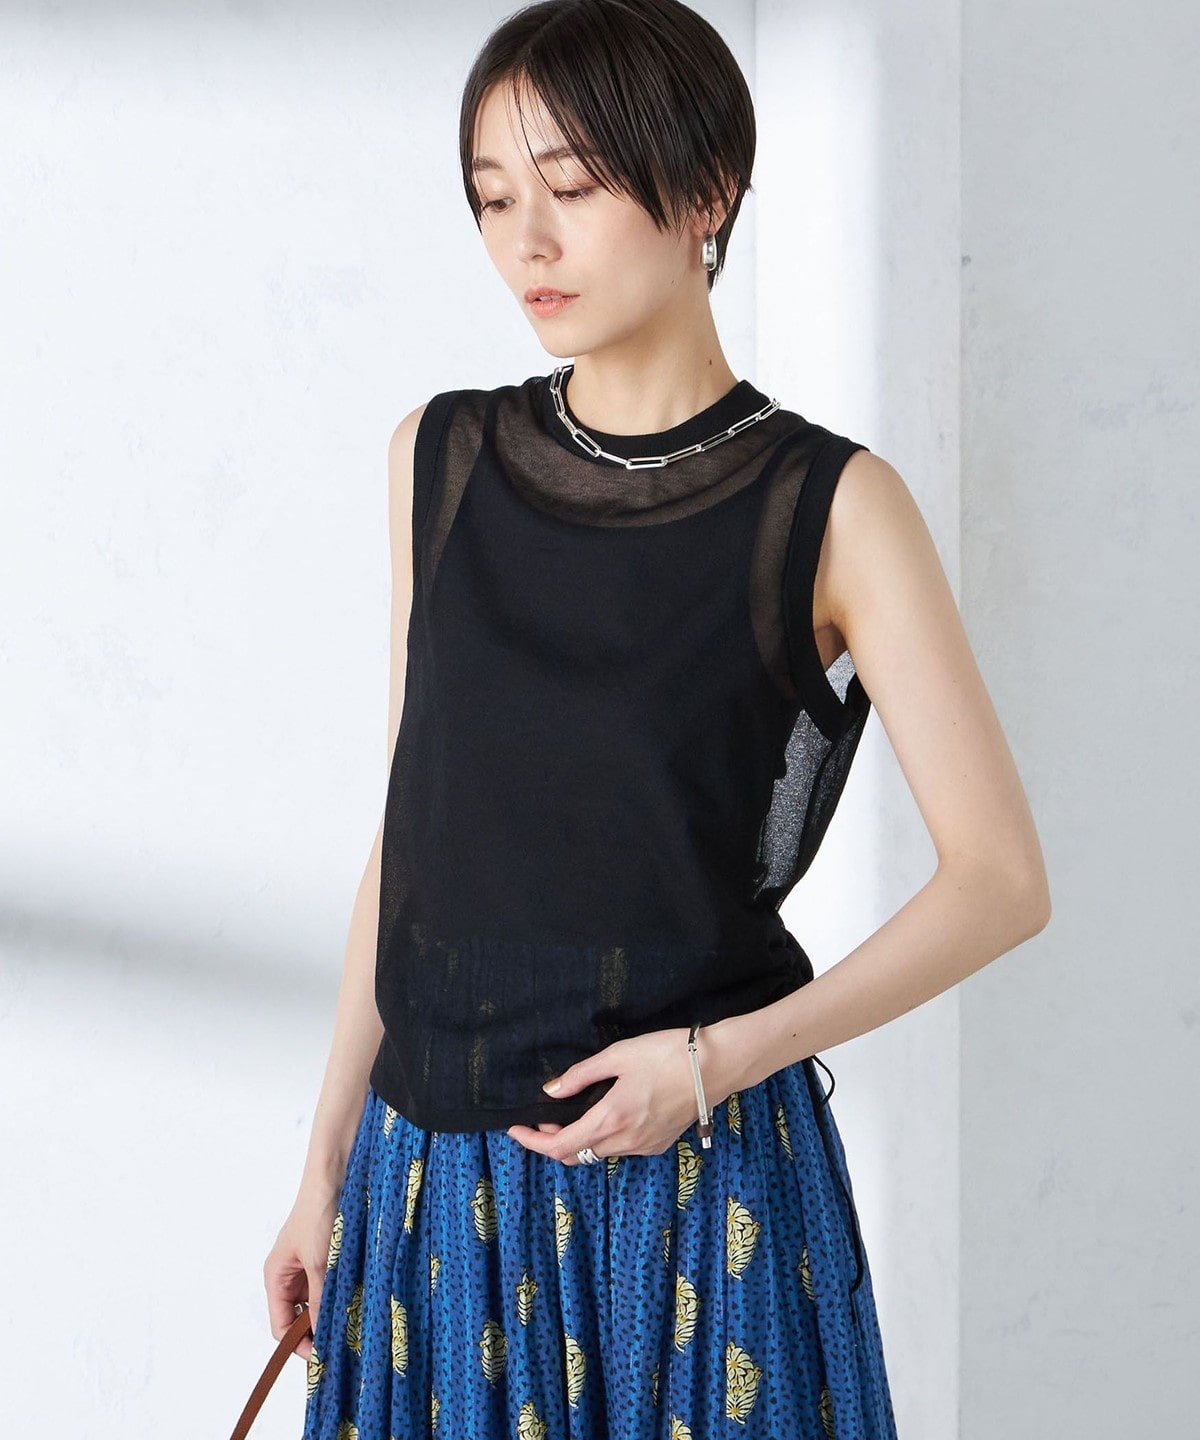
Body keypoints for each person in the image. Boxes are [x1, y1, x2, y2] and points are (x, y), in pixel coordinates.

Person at [263, 2, 1052, 1436]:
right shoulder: (439, 459)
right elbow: (413, 838)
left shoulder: (832, 508)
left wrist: (715, 1063)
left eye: (570, 187)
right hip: (432, 1195)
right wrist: (322, 1167)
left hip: (698, 1196)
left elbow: (1000, 880)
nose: (527, 242)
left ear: (707, 191)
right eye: (493, 199)